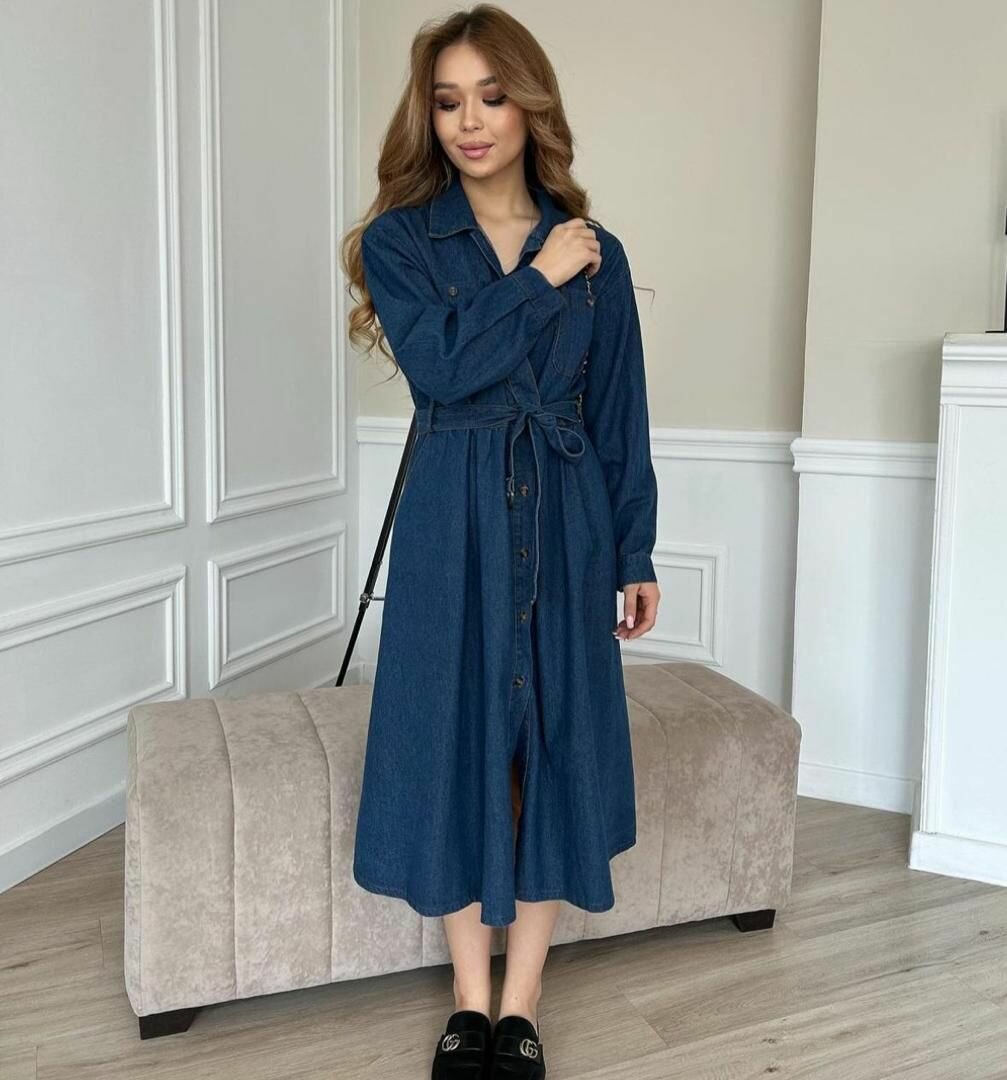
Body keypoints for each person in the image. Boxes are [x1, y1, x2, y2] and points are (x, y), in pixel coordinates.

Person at [342, 6, 660, 1077]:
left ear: (529, 106)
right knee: (453, 740)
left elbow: (618, 412)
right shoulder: (401, 240)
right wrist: (535, 279)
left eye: (490, 97)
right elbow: (440, 369)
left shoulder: (596, 251)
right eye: (447, 102)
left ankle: (520, 1005)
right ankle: (467, 1004)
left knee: (548, 748)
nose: (469, 122)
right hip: (452, 515)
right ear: (426, 116)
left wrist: (633, 550)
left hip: (565, 516)